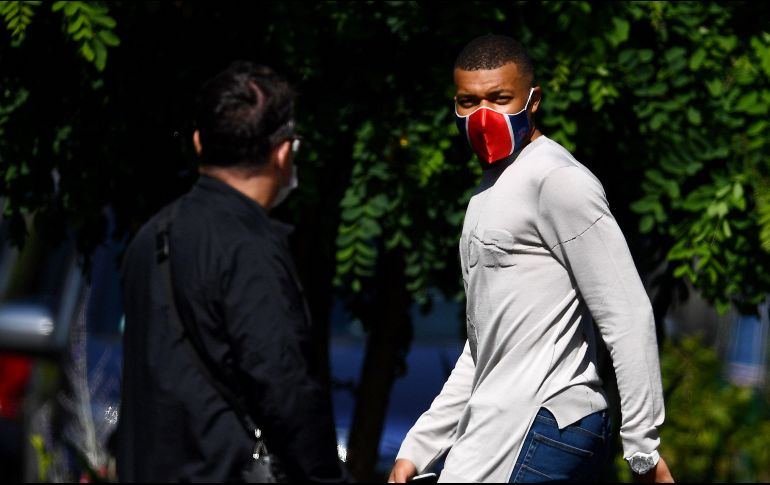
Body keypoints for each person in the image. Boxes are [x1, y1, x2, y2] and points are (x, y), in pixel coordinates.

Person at [389, 34, 675, 483]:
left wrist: (642, 447)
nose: (483, 115)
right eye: (469, 102)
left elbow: (626, 313)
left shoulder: (557, 179)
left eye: (500, 98)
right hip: (502, 425)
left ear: (533, 100)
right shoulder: (485, 195)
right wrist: (419, 448)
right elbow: (484, 346)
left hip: (545, 421)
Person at [117, 61, 345, 482]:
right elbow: (285, 390)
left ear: (198, 143)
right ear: (283, 153)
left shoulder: (150, 238)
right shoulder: (251, 250)